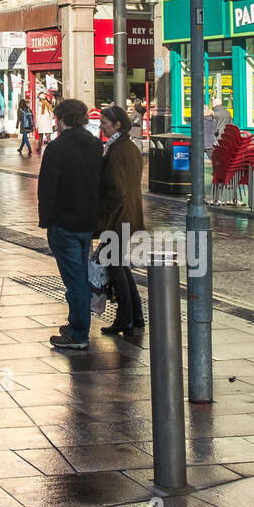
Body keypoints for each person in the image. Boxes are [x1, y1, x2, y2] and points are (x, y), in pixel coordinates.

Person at [37, 98, 103, 351]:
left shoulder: (57, 148)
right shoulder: (95, 145)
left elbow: (48, 189)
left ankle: (78, 333)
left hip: (64, 223)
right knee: (80, 276)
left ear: (62, 118)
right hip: (86, 221)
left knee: (74, 280)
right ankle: (77, 323)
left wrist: (47, 220)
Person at [96, 104, 146, 336]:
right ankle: (135, 317)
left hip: (117, 219)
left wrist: (100, 214)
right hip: (129, 215)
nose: (101, 126)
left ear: (117, 124)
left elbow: (116, 190)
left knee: (115, 267)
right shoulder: (130, 147)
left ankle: (125, 318)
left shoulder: (117, 150)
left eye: (105, 123)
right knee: (120, 266)